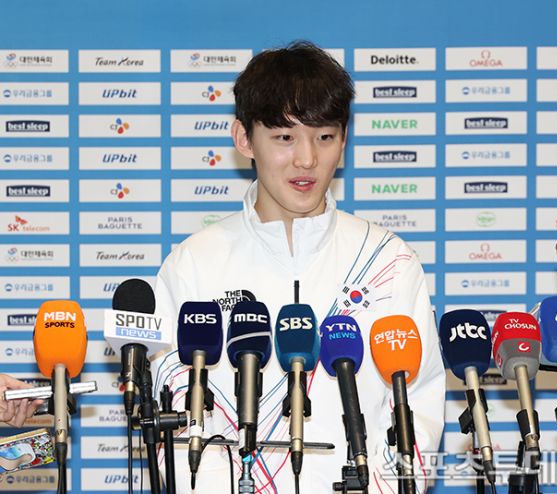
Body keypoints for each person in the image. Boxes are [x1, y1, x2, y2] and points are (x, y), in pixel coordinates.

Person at [152, 41, 445, 493]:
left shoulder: (388, 260)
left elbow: (418, 412)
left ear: (343, 141)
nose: (307, 159)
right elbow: (174, 419)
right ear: (244, 139)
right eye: (285, 138)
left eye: (324, 137)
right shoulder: (193, 264)